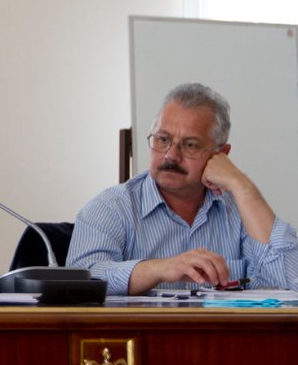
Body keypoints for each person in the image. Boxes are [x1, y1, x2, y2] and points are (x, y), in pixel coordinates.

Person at [67, 82, 297, 295]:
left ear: (221, 154)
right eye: (162, 140)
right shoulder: (110, 207)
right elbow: (81, 279)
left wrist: (241, 185)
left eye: (190, 145)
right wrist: (160, 269)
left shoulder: (241, 211)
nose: (171, 155)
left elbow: (292, 281)